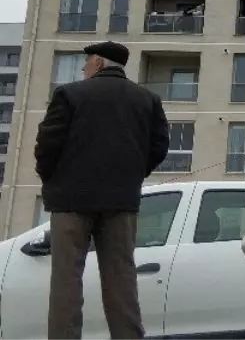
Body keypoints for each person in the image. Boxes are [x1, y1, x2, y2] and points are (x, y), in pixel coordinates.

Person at [35, 41, 169, 340]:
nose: (83, 69)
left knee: (66, 281)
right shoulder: (147, 99)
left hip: (70, 201)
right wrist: (132, 175)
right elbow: (159, 147)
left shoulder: (69, 94)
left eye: (86, 63)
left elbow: (47, 145)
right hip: (121, 201)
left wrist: (53, 179)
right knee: (121, 278)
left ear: (97, 63)